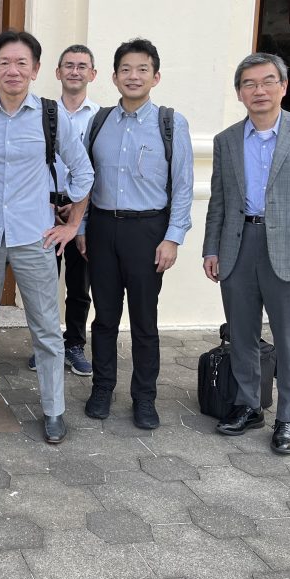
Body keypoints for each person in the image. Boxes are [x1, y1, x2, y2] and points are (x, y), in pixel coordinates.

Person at [0, 30, 94, 445]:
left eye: (21, 63)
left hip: (35, 237)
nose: (13, 70)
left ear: (35, 69)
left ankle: (53, 409)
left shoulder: (51, 115)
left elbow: (83, 171)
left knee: (45, 327)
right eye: (4, 63)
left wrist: (73, 224)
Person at [204, 52, 290, 454]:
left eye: (267, 81)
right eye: (249, 83)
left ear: (283, 87)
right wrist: (211, 249)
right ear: (239, 93)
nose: (258, 90)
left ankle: (288, 418)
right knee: (241, 332)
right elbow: (219, 201)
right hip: (238, 244)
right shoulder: (226, 140)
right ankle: (248, 405)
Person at [78, 38, 194, 430]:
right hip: (102, 228)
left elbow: (183, 186)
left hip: (148, 231)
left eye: (142, 69)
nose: (133, 76)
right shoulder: (99, 122)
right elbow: (86, 180)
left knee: (144, 321)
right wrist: (82, 227)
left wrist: (173, 237)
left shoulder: (171, 123)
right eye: (125, 69)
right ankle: (102, 388)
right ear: (113, 77)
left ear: (155, 77)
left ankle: (144, 398)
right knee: (104, 318)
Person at [28, 44, 100, 376]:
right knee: (42, 285)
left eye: (82, 66)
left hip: (82, 213)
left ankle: (74, 345)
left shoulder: (100, 118)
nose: (75, 71)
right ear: (57, 72)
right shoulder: (41, 114)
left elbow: (99, 168)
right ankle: (45, 346)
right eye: (68, 65)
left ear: (92, 74)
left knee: (79, 286)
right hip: (44, 209)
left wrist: (78, 210)